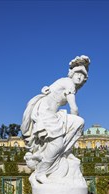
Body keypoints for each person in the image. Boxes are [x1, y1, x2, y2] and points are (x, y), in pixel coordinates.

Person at [21, 55, 90, 185]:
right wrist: (74, 118)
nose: (80, 77)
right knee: (63, 137)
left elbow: (48, 90)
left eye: (83, 75)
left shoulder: (64, 82)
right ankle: (41, 172)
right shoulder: (69, 83)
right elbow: (74, 108)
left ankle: (64, 152)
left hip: (52, 114)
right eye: (77, 73)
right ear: (72, 74)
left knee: (78, 123)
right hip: (45, 114)